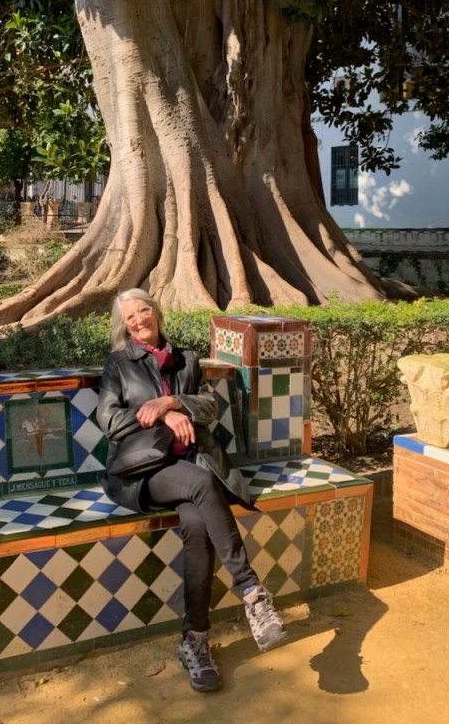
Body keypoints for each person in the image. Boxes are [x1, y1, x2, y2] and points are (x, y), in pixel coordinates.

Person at [97, 288, 286, 693]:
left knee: (199, 529)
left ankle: (194, 641)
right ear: (124, 325)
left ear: (156, 312)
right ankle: (252, 592)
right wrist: (155, 418)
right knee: (202, 484)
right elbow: (110, 421)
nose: (139, 320)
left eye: (144, 310)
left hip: (188, 466)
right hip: (143, 473)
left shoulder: (186, 359)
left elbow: (208, 407)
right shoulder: (119, 364)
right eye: (130, 317)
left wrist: (172, 404)